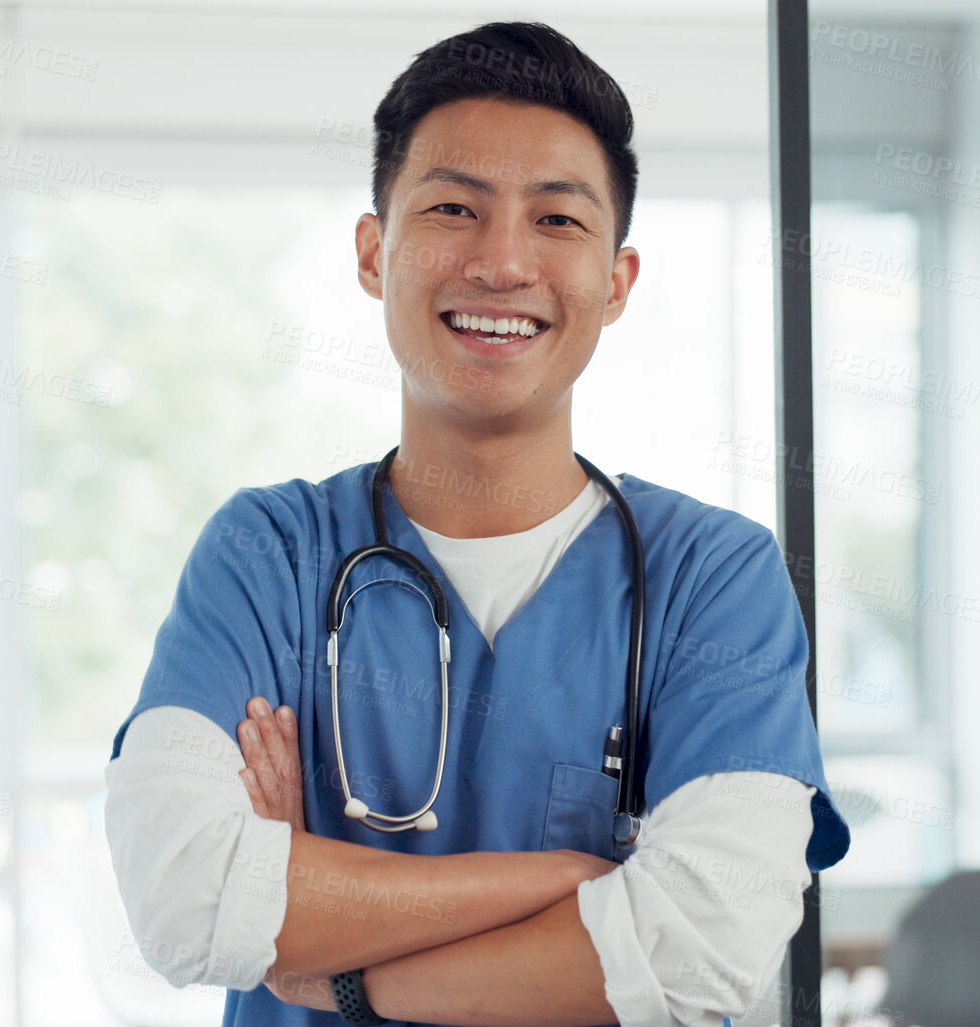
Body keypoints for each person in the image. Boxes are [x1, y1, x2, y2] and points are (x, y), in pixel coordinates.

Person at [104, 21, 849, 1026]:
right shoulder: (266, 554)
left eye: (558, 221)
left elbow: (700, 952)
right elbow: (186, 902)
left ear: (617, 281)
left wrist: (324, 962)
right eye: (454, 208)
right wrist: (574, 885)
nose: (502, 264)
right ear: (375, 252)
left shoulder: (712, 577)